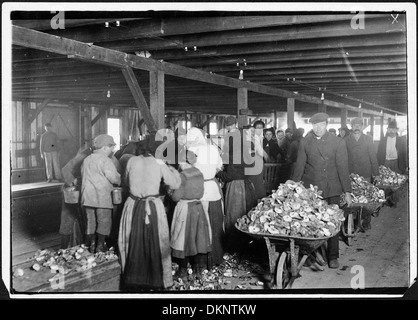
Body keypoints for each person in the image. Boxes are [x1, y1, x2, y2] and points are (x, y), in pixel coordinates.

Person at [118, 135, 181, 291]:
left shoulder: (132, 160)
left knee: (132, 241)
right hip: (153, 206)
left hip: (132, 205)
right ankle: (156, 280)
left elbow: (126, 181)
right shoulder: (158, 162)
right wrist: (172, 169)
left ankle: (133, 280)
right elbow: (174, 183)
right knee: (156, 242)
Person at [291, 113, 352, 269]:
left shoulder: (338, 142)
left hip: (332, 188)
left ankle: (333, 256)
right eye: (315, 125)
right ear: (311, 126)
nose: (318, 128)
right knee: (311, 222)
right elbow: (299, 166)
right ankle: (312, 254)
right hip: (311, 188)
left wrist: (347, 191)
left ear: (326, 124)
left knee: (333, 222)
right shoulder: (305, 142)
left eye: (321, 125)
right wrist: (292, 186)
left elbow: (343, 168)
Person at [184, 128, 224, 269]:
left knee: (200, 227)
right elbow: (220, 167)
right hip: (213, 188)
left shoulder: (191, 151)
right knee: (215, 225)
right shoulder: (213, 148)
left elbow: (185, 171)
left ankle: (199, 263)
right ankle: (215, 259)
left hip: (198, 190)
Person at [216, 116, 256, 253]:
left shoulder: (233, 148)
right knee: (245, 214)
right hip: (246, 183)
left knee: (234, 215)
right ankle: (245, 245)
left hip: (236, 185)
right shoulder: (244, 140)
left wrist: (217, 172)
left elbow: (230, 175)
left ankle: (235, 247)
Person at [81, 134, 121, 254]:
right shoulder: (105, 160)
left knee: (91, 221)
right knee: (104, 221)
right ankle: (100, 245)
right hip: (102, 197)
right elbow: (114, 178)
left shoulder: (86, 159)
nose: (111, 151)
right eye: (110, 148)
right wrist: (120, 179)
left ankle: (92, 244)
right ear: (104, 148)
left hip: (87, 197)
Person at [345, 117, 379, 183]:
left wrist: (376, 174)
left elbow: (373, 157)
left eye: (359, 125)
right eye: (355, 125)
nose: (357, 127)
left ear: (362, 127)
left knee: (367, 191)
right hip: (351, 173)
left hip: (365, 173)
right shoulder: (346, 140)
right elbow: (343, 158)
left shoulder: (368, 139)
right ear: (351, 127)